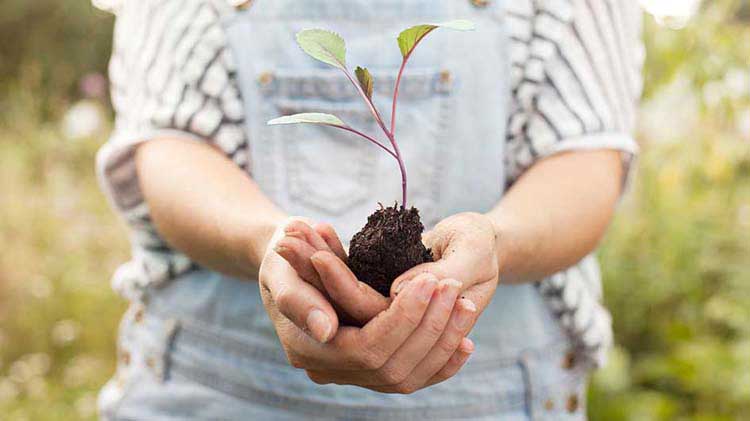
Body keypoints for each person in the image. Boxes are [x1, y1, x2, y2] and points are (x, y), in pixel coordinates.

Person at [94, 0, 643, 419]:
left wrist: (493, 241)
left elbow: (584, 160)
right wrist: (269, 243)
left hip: (491, 397)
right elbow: (171, 148)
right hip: (212, 392)